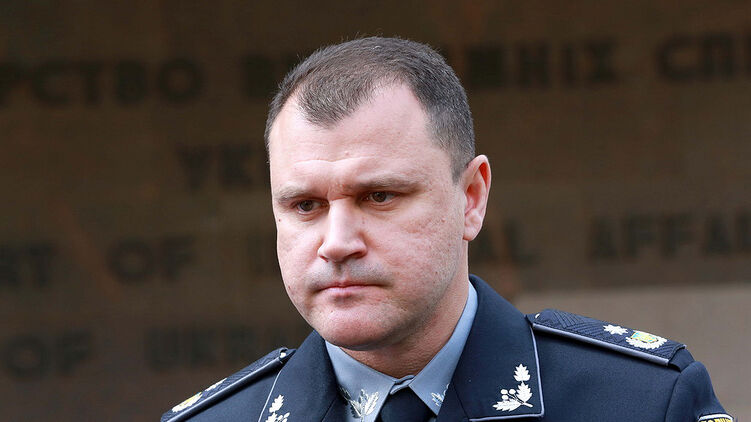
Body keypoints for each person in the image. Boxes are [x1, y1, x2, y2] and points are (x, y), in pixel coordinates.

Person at [161, 37, 732, 422]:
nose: (336, 242)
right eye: (305, 205)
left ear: (472, 199)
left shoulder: (643, 403)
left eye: (379, 196)